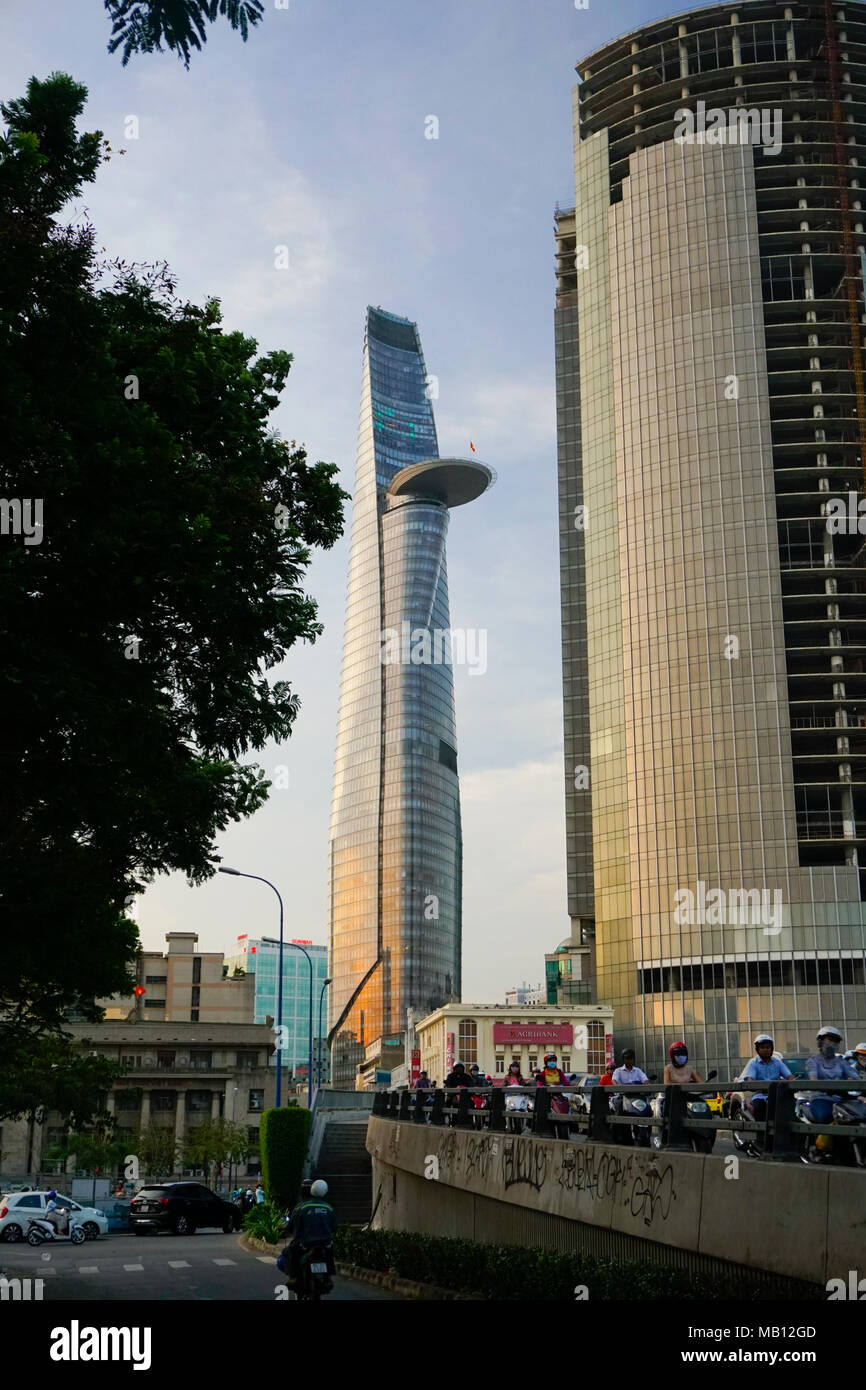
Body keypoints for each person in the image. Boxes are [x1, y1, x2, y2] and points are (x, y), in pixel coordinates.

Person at [283, 1179, 338, 1291]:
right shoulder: (328, 1207)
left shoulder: (301, 1207)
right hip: (324, 1243)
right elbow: (334, 1227)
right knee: (330, 1251)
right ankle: (329, 1276)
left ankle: (293, 1277)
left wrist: (286, 1231)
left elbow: (292, 1226)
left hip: (305, 1243)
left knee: (288, 1252)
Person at [736, 1033, 792, 1120]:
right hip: (760, 1096)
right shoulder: (753, 1063)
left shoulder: (778, 1063)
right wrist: (757, 1087)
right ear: (757, 1049)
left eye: (768, 1047)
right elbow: (749, 1079)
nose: (766, 1049)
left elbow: (790, 1076)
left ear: (772, 1049)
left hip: (777, 1096)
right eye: (762, 1047)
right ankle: (761, 1132)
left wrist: (791, 1083)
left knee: (790, 1110)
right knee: (759, 1109)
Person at [537, 1052, 571, 1140]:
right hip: (548, 1097)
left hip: (559, 1096)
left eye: (554, 1060)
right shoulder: (542, 1074)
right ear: (546, 1062)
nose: (553, 1062)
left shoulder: (559, 1072)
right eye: (551, 1060)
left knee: (569, 1105)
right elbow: (540, 1085)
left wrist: (576, 1088)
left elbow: (565, 1082)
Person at [504, 1061, 528, 1134]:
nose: (515, 1068)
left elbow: (524, 1085)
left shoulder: (520, 1077)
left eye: (516, 1067)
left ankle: (524, 1125)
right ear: (510, 1068)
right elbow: (504, 1086)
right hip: (509, 1097)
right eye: (513, 1066)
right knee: (505, 1109)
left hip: (519, 1097)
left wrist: (527, 1085)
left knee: (525, 1109)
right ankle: (506, 1124)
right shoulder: (507, 1077)